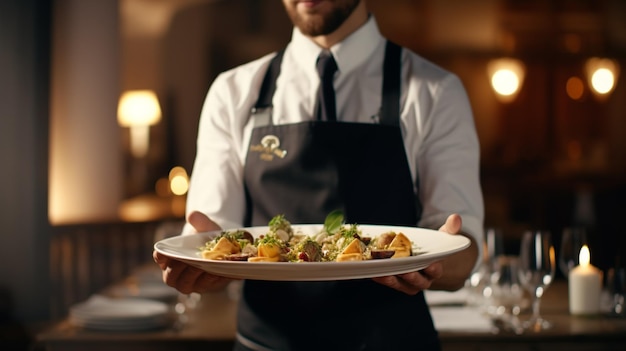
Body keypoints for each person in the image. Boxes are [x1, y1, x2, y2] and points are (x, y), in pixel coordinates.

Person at [154, 0, 484, 350]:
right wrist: (199, 259)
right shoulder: (232, 92)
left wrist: (442, 258)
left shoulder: (435, 91)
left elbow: (463, 252)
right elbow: (215, 237)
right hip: (264, 344)